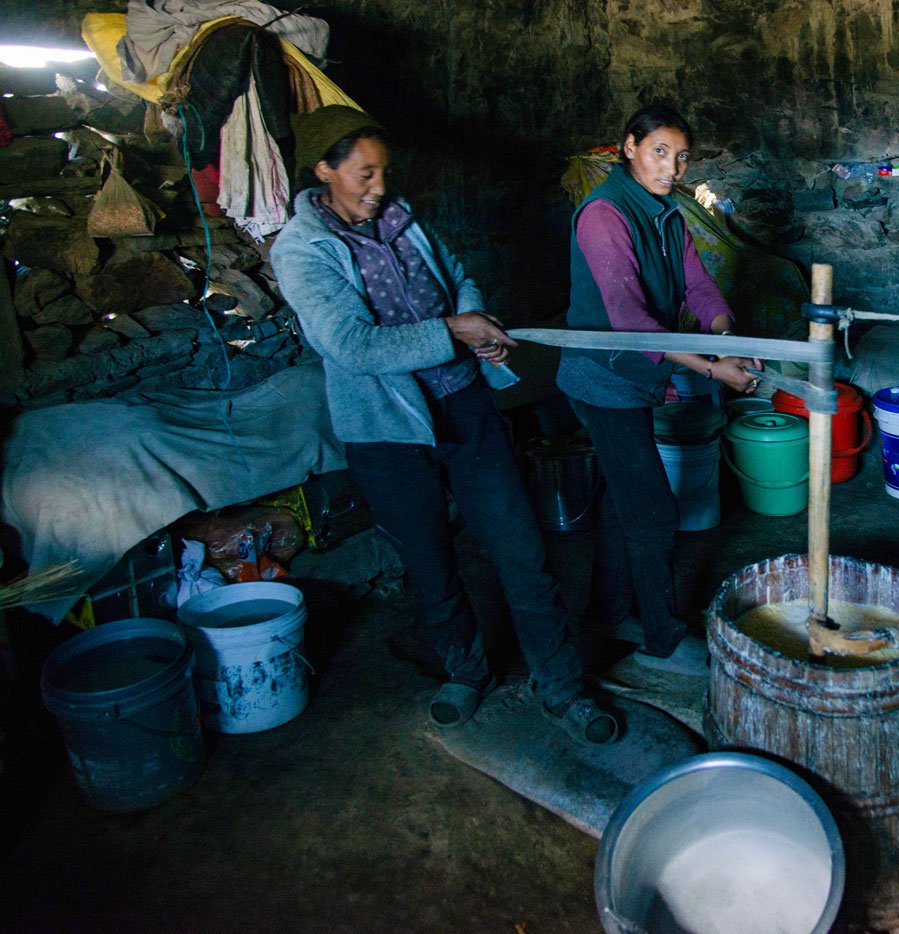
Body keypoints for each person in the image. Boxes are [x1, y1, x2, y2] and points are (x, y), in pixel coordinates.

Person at [271, 105, 618, 743]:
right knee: (430, 562)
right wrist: (456, 331)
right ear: (324, 171)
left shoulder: (403, 215)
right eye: (364, 174)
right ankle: (465, 672)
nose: (379, 186)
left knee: (521, 549)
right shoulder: (301, 250)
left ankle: (562, 685)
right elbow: (353, 346)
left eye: (384, 172)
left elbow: (458, 277)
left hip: (465, 404)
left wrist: (475, 320)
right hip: (387, 430)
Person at [556, 103, 760, 673]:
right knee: (650, 509)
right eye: (659, 152)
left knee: (626, 503)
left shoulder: (668, 213)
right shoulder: (603, 214)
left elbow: (699, 285)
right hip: (602, 378)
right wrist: (711, 367)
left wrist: (726, 335)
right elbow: (628, 318)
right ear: (629, 147)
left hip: (638, 375)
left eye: (682, 157)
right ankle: (661, 637)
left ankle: (608, 612)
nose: (672, 168)